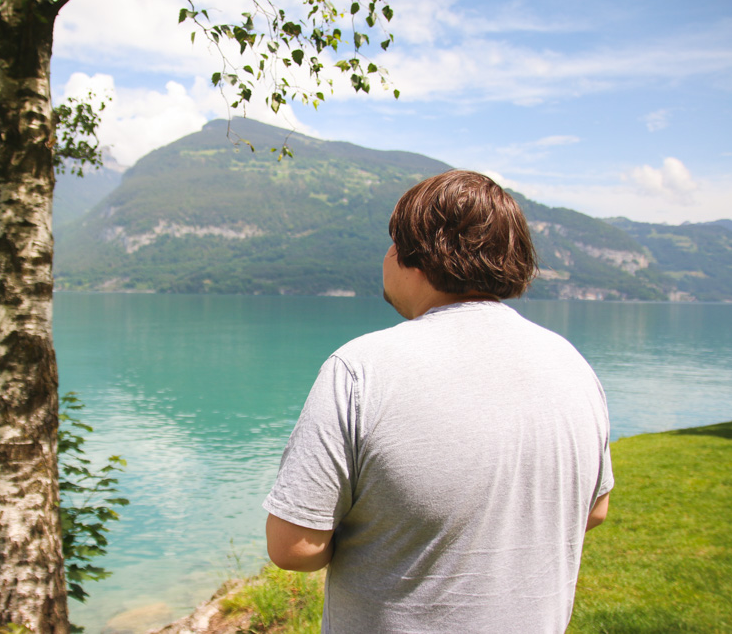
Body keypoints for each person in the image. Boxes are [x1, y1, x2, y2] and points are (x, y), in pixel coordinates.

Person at [262, 170, 613, 633]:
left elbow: (293, 546)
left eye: (392, 243)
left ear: (417, 256)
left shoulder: (360, 368)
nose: (386, 258)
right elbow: (595, 509)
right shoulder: (572, 364)